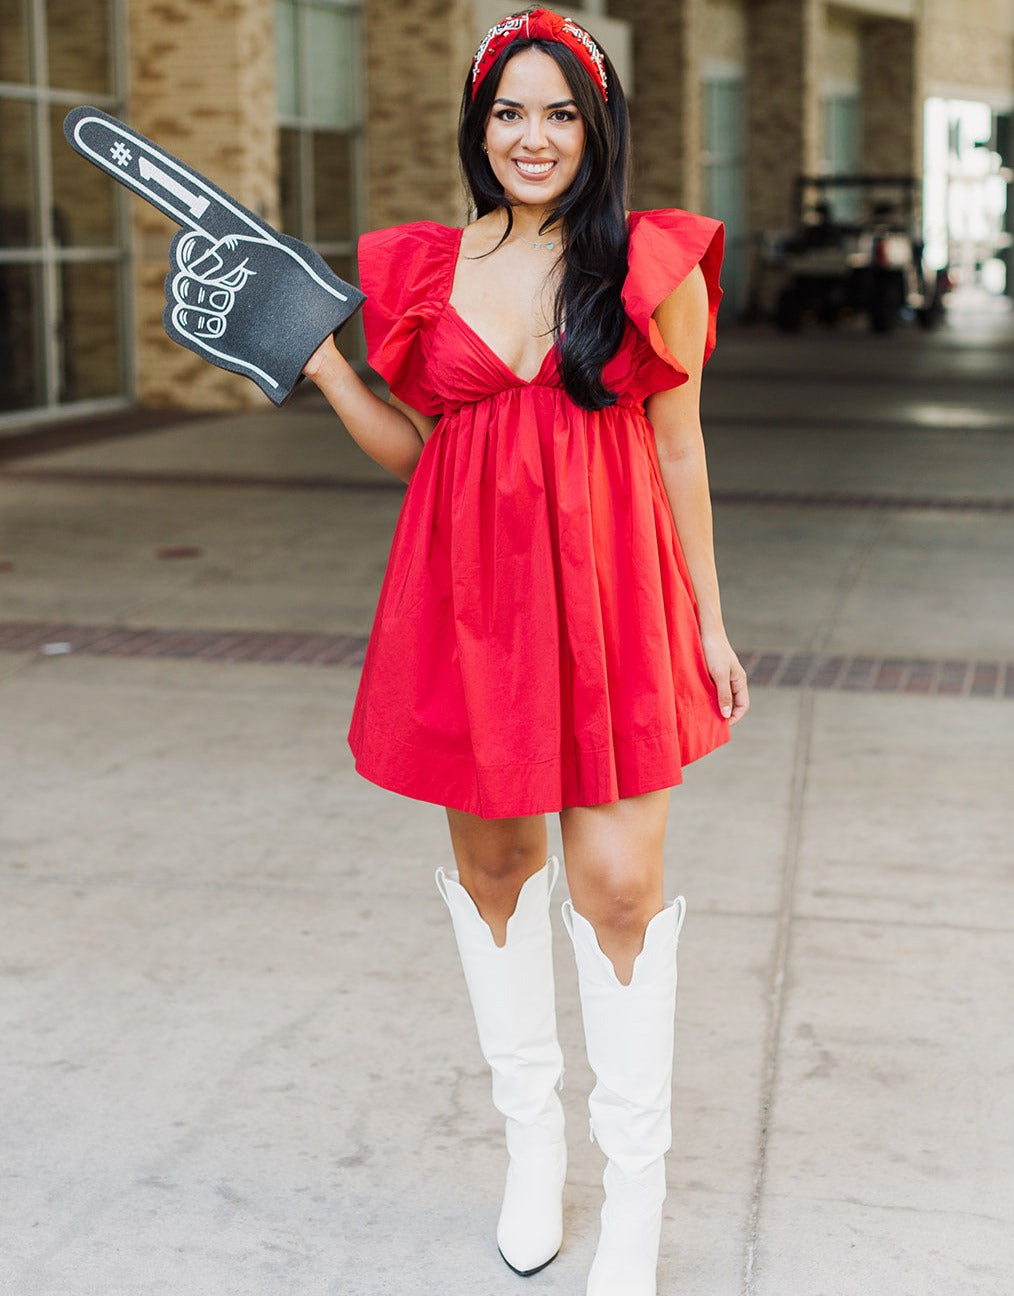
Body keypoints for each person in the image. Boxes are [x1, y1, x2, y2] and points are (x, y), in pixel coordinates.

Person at [302, 9, 749, 1294]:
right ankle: (530, 1153)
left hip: (617, 605)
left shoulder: (651, 264)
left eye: (559, 112)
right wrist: (331, 376)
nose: (532, 136)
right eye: (509, 111)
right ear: (478, 126)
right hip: (469, 610)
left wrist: (707, 618)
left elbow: (677, 450)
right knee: (497, 870)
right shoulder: (425, 269)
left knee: (614, 888)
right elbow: (426, 451)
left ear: (596, 128)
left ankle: (637, 1197)